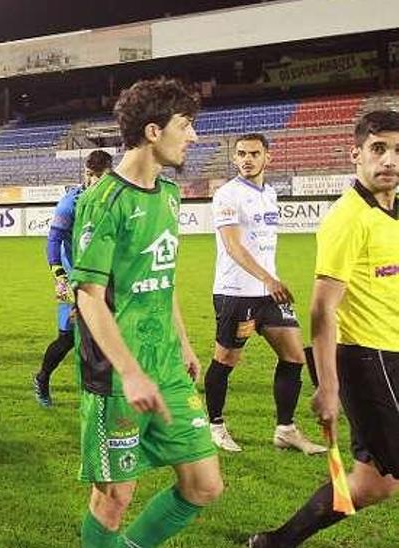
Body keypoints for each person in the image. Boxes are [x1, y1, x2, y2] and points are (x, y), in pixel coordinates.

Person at [69, 78, 222, 548]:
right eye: (186, 125)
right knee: (114, 496)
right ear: (154, 131)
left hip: (167, 366)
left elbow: (163, 275)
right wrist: (131, 373)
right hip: (116, 376)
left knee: (204, 484)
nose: (193, 136)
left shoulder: (171, 195)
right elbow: (89, 296)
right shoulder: (103, 200)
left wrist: (184, 343)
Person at [247, 110, 399, 547]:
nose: (389, 159)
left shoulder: (392, 209)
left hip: (391, 353)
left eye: (396, 150)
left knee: (373, 485)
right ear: (356, 155)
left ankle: (275, 542)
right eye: (378, 149)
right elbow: (321, 309)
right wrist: (328, 387)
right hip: (368, 359)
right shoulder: (347, 219)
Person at [204, 133, 325, 455]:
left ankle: (285, 430)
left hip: (268, 293)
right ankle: (215, 425)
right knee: (226, 360)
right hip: (236, 293)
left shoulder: (270, 193)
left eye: (254, 154)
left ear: (267, 157)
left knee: (294, 356)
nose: (247, 159)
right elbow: (233, 246)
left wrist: (270, 282)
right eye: (241, 153)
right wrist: (269, 279)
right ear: (234, 158)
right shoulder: (227, 194)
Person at [34, 150, 112, 407]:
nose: (93, 181)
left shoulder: (114, 200)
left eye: (98, 176)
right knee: (67, 337)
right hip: (74, 281)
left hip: (104, 280)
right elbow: (54, 241)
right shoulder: (71, 202)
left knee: (108, 335)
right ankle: (42, 378)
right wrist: (59, 276)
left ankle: (101, 393)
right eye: (89, 175)